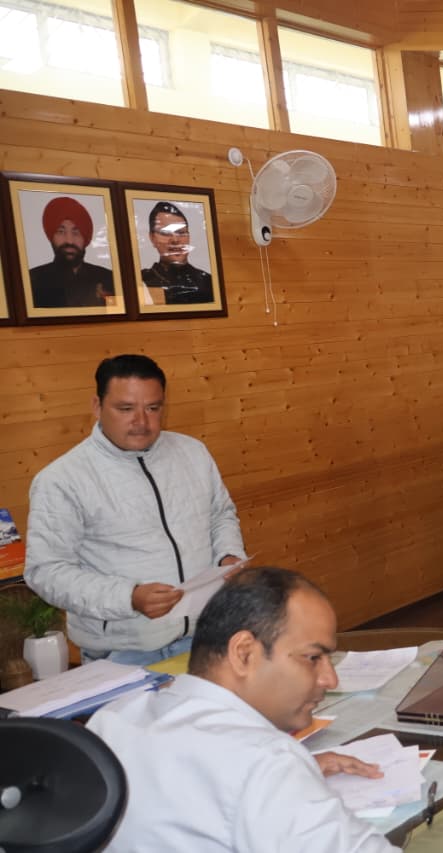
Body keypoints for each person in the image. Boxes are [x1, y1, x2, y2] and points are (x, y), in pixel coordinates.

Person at [87, 567, 397, 852]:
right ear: (244, 653)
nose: (330, 679)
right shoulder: (265, 762)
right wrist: (284, 780)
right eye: (313, 658)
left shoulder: (113, 720)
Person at [24, 354, 245, 665]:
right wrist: (128, 597)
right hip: (123, 653)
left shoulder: (192, 452)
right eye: (125, 409)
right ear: (97, 406)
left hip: (206, 636)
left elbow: (220, 514)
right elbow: (46, 571)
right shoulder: (62, 480)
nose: (141, 422)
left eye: (153, 408)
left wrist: (228, 556)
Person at [28, 195, 115, 308]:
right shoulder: (32, 280)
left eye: (76, 233)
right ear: (51, 237)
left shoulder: (108, 278)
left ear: (85, 238)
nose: (69, 240)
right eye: (61, 231)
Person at [140, 201, 214, 304]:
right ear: (152, 238)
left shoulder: (209, 282)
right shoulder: (141, 280)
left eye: (181, 232)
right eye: (165, 233)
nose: (175, 240)